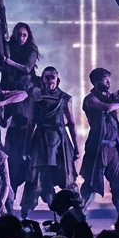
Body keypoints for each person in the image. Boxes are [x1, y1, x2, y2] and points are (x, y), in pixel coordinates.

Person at [21, 67, 78, 218]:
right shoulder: (36, 100)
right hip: (40, 143)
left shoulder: (65, 98)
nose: (50, 80)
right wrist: (26, 148)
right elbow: (30, 123)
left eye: (52, 77)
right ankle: (24, 218)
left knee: (67, 179)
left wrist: (76, 148)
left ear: (57, 80)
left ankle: (67, 218)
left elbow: (71, 123)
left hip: (61, 144)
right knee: (36, 180)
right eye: (46, 77)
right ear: (42, 80)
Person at [78, 67, 119, 211]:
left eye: (109, 79)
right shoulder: (91, 99)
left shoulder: (109, 97)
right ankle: (77, 218)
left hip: (113, 148)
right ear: (96, 82)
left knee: (118, 186)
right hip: (98, 148)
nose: (108, 82)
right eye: (104, 79)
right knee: (90, 185)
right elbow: (107, 107)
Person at [0, 22, 40, 200]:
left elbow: (27, 68)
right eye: (19, 34)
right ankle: (10, 192)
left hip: (26, 95)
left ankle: (22, 195)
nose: (21, 37)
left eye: (24, 35)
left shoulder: (31, 50)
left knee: (25, 141)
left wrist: (8, 62)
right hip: (11, 94)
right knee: (11, 144)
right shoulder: (9, 48)